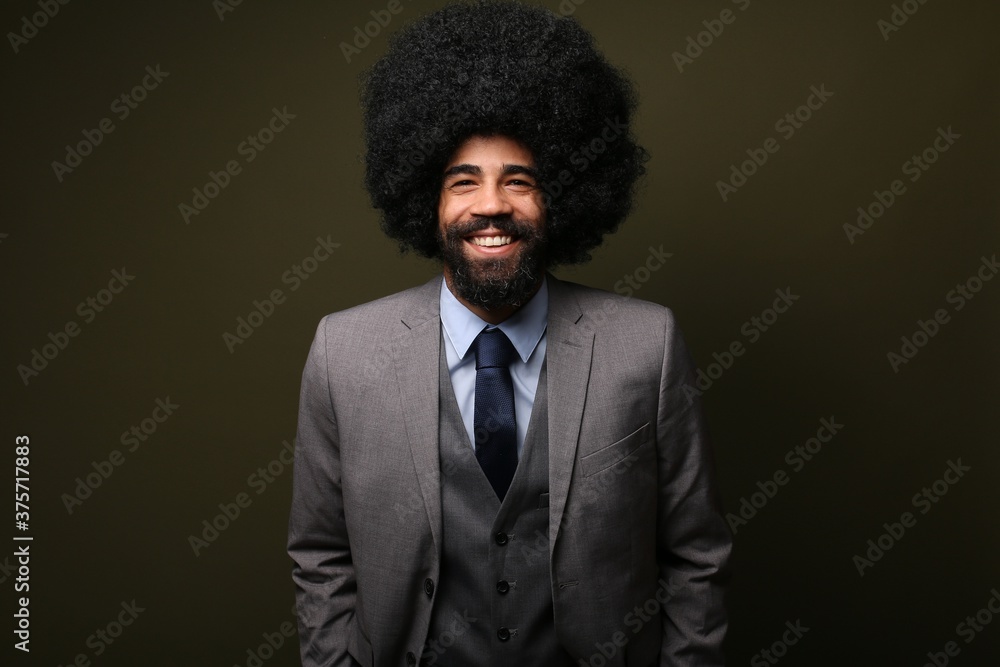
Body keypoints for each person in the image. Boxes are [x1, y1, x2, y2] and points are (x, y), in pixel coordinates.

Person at [287, 2, 732, 665]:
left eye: (518, 181)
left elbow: (696, 556)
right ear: (427, 202)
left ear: (561, 197)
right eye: (463, 181)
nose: (491, 205)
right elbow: (320, 556)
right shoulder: (343, 353)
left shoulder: (648, 345)